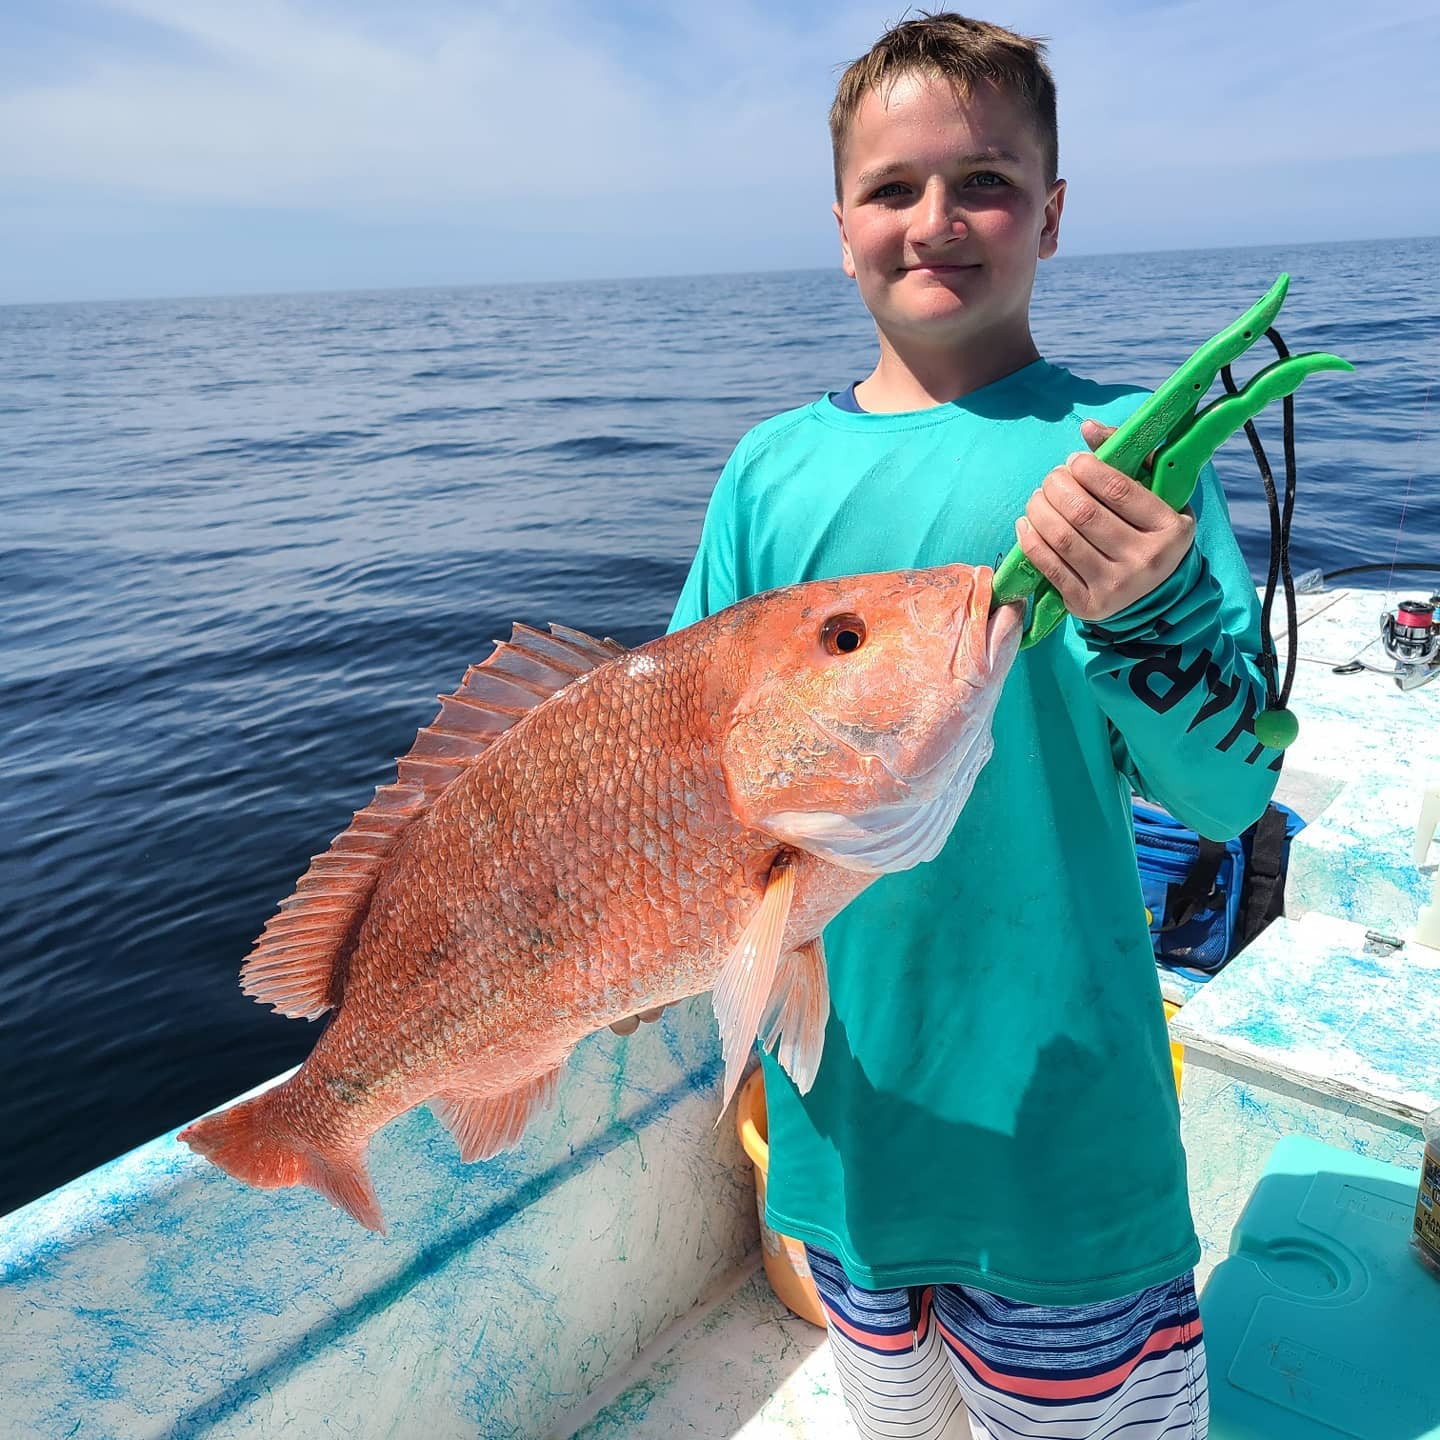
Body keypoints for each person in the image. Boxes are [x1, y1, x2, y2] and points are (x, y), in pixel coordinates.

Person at [663, 14, 1280, 1439]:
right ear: (839, 227)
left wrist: (1153, 596)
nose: (935, 221)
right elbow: (692, 767)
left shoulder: (1130, 457)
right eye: (892, 189)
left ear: (1051, 216)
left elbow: (1226, 790)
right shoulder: (769, 473)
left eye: (985, 182)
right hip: (844, 1131)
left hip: (1066, 1142)